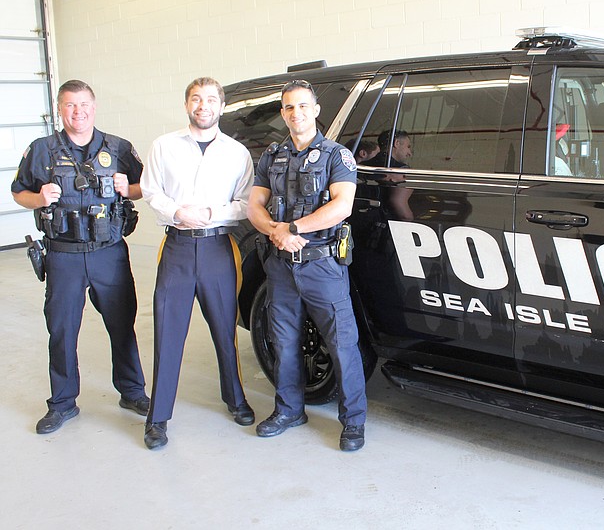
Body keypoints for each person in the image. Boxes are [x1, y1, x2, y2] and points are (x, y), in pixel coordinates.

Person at [11, 79, 149, 434]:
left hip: (109, 254)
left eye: (84, 104)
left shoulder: (118, 147)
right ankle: (62, 402)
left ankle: (132, 391)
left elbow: (146, 186)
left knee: (122, 326)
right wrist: (39, 198)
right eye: (70, 105)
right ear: (60, 109)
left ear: (94, 105)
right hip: (64, 255)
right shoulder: (41, 150)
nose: (78, 112)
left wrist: (127, 189)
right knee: (61, 330)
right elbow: (18, 192)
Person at [247, 79, 368, 452]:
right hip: (281, 265)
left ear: (316, 110)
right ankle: (288, 410)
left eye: (302, 106)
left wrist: (294, 228)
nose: (295, 113)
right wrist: (276, 232)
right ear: (282, 113)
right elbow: (254, 205)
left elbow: (341, 206)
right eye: (288, 107)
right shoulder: (271, 155)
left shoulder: (336, 156)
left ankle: (353, 423)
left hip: (321, 264)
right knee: (282, 340)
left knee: (342, 343)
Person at [140, 77, 255, 450]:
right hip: (175, 249)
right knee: (168, 334)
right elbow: (150, 190)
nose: (202, 105)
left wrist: (210, 212)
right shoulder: (164, 146)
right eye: (195, 99)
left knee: (226, 331)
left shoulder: (237, 152)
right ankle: (157, 418)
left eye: (210, 99)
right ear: (186, 104)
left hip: (218, 250)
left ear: (221, 106)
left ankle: (235, 399)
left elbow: (245, 203)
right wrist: (176, 211)